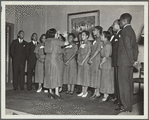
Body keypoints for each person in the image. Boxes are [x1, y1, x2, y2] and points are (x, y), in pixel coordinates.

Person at [116, 13, 139, 112]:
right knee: (129, 85)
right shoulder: (132, 30)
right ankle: (129, 106)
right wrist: (134, 60)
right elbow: (135, 48)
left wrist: (132, 61)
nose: (119, 23)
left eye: (120, 21)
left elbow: (128, 47)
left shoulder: (124, 31)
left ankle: (125, 106)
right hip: (129, 63)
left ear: (124, 21)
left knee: (124, 85)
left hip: (124, 63)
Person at [43, 28, 65, 99]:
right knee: (56, 75)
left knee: (49, 75)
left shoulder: (46, 41)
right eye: (56, 33)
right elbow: (66, 43)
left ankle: (50, 92)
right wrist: (65, 36)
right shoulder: (56, 40)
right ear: (54, 34)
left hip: (47, 59)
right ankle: (56, 93)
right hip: (54, 59)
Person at [88, 26, 103, 99]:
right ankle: (95, 92)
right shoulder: (95, 39)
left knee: (97, 75)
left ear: (98, 31)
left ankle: (97, 93)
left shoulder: (100, 39)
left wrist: (91, 58)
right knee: (93, 75)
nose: (93, 32)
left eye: (94, 30)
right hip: (93, 59)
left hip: (96, 59)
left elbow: (98, 50)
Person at [99, 31, 114, 102]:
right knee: (104, 79)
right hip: (105, 63)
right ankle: (105, 94)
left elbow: (106, 56)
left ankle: (106, 95)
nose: (100, 36)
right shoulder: (104, 44)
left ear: (106, 37)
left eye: (102, 35)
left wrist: (101, 64)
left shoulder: (108, 45)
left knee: (107, 79)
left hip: (107, 63)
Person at [77, 30, 91, 98]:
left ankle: (86, 91)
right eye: (82, 35)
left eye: (84, 35)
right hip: (80, 60)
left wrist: (83, 61)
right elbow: (79, 52)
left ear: (87, 36)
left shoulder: (88, 43)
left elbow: (89, 53)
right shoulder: (81, 43)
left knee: (86, 76)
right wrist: (78, 60)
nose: (82, 36)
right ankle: (82, 91)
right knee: (81, 76)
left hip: (85, 61)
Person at [111, 19, 122, 106]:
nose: (112, 26)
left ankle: (120, 99)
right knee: (116, 81)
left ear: (118, 25)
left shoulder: (121, 34)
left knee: (119, 81)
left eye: (114, 24)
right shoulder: (116, 35)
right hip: (115, 62)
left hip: (119, 62)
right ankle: (117, 97)